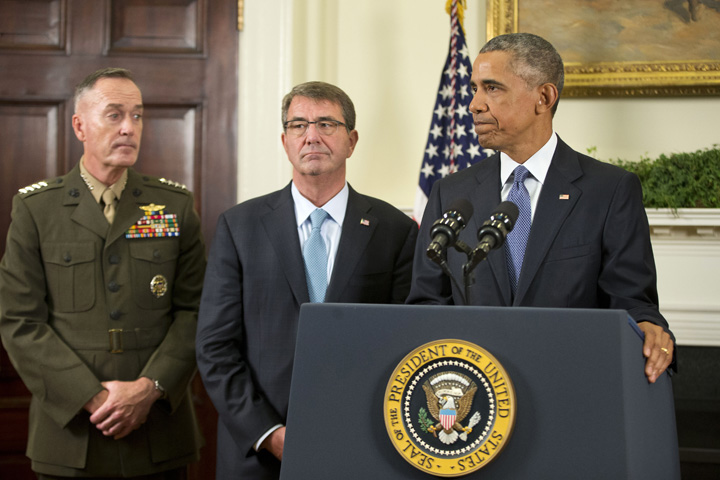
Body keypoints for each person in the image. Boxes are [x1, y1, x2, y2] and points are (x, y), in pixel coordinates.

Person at [407, 33, 675, 383]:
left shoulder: (609, 190)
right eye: (474, 88)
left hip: (571, 385)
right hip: (475, 397)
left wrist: (648, 328)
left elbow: (631, 302)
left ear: (544, 97)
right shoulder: (450, 193)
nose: (473, 104)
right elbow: (426, 304)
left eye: (492, 88)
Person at [196, 81, 418, 479]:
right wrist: (268, 433)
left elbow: (402, 343)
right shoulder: (239, 226)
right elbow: (215, 346)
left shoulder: (395, 230)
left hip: (362, 443)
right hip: (257, 453)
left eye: (326, 124)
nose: (311, 136)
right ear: (285, 141)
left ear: (351, 140)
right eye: (298, 125)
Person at [0, 68, 206, 478]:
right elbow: (20, 322)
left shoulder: (173, 206)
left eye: (137, 115)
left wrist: (149, 389)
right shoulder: (36, 210)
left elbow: (196, 312)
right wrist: (91, 397)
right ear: (80, 125)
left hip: (159, 431)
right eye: (114, 115)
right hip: (72, 434)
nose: (129, 128)